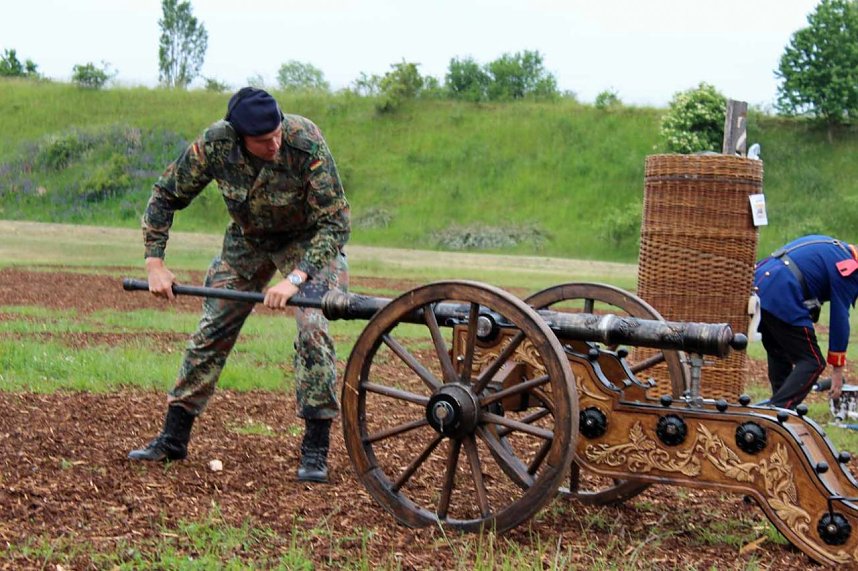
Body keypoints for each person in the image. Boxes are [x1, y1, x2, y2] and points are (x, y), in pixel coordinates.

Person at [128, 87, 350, 483]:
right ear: (239, 137)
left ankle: (315, 448)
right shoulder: (215, 144)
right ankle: (173, 438)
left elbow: (336, 221)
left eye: (277, 133)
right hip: (248, 242)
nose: (275, 143)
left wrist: (296, 279)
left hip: (308, 243)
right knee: (212, 329)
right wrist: (155, 263)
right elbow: (165, 195)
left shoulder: (304, 139)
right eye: (264, 141)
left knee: (312, 329)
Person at [754, 234, 858, 409]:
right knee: (813, 361)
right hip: (783, 291)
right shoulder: (851, 268)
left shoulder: (836, 248)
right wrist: (838, 371)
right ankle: (776, 414)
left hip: (760, 285)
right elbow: (840, 318)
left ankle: (779, 418)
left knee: (780, 355)